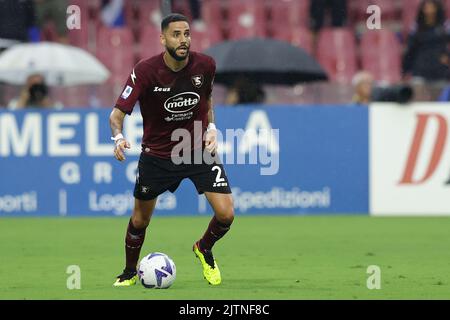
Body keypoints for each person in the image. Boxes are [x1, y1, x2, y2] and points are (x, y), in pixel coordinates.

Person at [109, 13, 234, 287]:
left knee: (226, 214)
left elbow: (207, 99)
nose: (183, 40)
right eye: (176, 34)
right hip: (158, 155)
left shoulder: (206, 65)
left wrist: (212, 127)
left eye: (187, 34)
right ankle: (130, 271)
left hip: (198, 149)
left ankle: (204, 248)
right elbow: (116, 114)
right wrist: (118, 138)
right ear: (163, 38)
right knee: (140, 220)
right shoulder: (144, 71)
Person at [403, 0, 450, 81]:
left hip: (440, 71)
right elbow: (410, 50)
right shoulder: (416, 28)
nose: (429, 11)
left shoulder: (445, 27)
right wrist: (406, 70)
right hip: (420, 70)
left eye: (432, 8)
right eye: (426, 8)